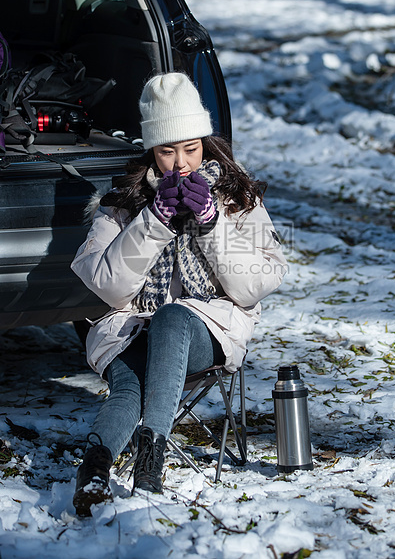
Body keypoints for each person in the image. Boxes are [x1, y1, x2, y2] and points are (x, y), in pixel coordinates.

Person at [70, 72, 287, 516]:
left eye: (191, 147)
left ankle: (151, 458)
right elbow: (109, 287)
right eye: (168, 151)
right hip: (131, 328)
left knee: (173, 316)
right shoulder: (123, 203)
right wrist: (153, 220)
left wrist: (211, 222)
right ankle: (94, 470)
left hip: (208, 329)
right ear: (152, 149)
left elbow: (256, 284)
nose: (181, 163)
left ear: (206, 142)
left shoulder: (236, 196)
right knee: (129, 388)